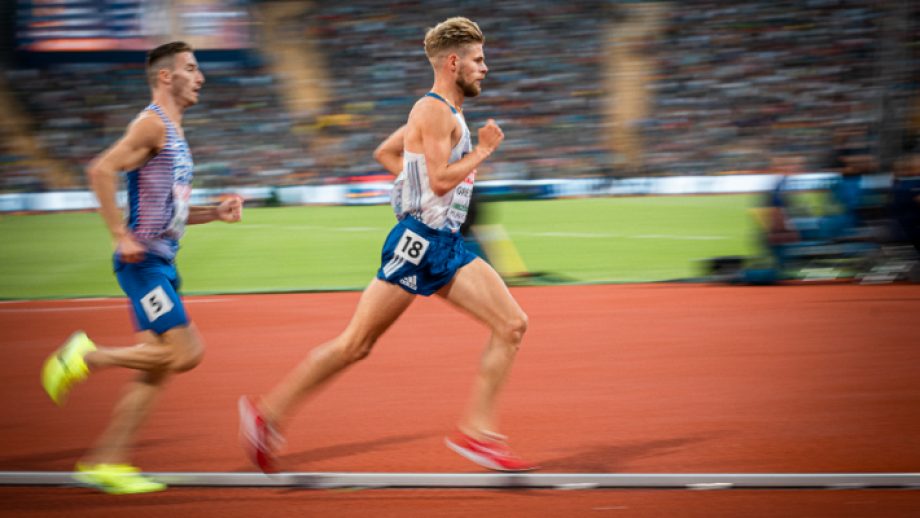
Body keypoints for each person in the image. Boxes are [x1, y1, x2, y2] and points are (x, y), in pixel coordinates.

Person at [239, 17, 536, 473]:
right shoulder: (432, 110)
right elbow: (438, 182)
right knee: (356, 344)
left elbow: (386, 153)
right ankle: (266, 415)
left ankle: (478, 433)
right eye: (478, 59)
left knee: (512, 324)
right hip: (419, 244)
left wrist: (414, 180)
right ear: (453, 62)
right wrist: (482, 152)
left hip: (446, 244)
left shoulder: (445, 112)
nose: (485, 68)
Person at [40, 41, 243, 494]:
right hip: (142, 265)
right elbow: (100, 170)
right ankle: (83, 357)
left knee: (156, 369)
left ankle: (106, 463)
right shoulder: (152, 124)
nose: (201, 77)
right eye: (191, 68)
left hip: (162, 263)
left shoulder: (173, 131)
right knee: (186, 353)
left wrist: (215, 212)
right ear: (166, 76)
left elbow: (169, 210)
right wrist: (118, 235)